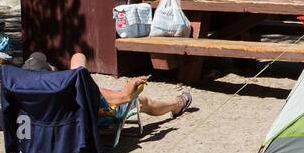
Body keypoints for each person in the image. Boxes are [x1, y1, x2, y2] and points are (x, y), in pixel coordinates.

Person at [22, 51, 191, 119]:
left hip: (56, 120)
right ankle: (177, 104)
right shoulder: (72, 89)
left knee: (78, 63)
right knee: (144, 101)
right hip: (94, 115)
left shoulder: (24, 97)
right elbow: (124, 97)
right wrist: (132, 83)